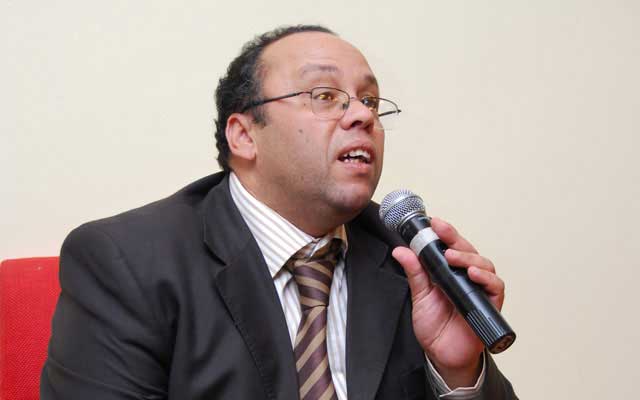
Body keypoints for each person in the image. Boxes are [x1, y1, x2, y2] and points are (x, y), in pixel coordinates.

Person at [41, 25, 517, 399]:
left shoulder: (409, 261)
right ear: (244, 135)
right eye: (325, 96)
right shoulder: (128, 261)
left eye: (370, 100)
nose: (363, 116)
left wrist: (457, 372)